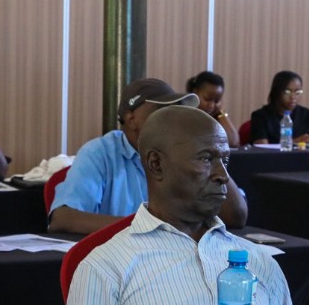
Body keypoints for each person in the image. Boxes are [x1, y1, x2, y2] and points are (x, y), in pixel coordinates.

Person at [66, 106, 299, 305]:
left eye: (225, 161)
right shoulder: (106, 268)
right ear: (156, 164)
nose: (222, 175)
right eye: (206, 159)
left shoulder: (260, 262)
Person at [49, 78, 248, 234]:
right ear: (131, 119)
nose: (172, 119)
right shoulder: (100, 152)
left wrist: (212, 155)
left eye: (176, 110)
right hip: (122, 258)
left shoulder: (186, 153)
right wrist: (148, 230)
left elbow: (236, 217)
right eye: (162, 110)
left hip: (180, 254)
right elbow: (63, 218)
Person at [250, 71, 309, 146]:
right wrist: (295, 142)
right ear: (277, 92)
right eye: (287, 92)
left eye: (297, 92)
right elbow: (262, 147)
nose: (293, 97)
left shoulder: (306, 114)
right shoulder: (260, 116)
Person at [187, 71, 239, 148]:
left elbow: (233, 142)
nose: (211, 105)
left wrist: (221, 114)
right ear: (195, 93)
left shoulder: (218, 117)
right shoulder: (185, 116)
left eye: (217, 101)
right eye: (207, 99)